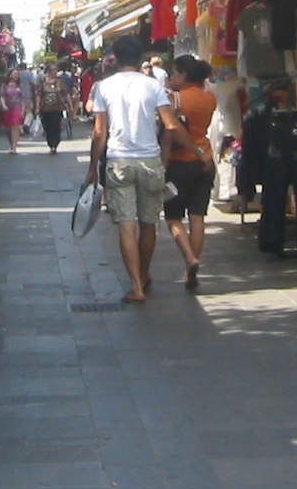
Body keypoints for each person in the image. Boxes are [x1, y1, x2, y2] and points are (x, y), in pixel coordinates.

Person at [86, 34, 206, 303]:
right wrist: (198, 151)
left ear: (115, 57)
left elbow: (98, 132)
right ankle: (144, 272)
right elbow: (172, 125)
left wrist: (93, 166)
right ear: (140, 57)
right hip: (150, 160)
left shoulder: (104, 87)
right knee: (148, 222)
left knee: (126, 225)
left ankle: (137, 286)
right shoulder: (153, 86)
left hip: (118, 161)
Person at [164, 54, 218, 288]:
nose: (171, 78)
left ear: (184, 75)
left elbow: (170, 132)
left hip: (180, 161)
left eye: (174, 74)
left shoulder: (175, 100)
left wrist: (163, 161)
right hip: (206, 160)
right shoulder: (209, 98)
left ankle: (189, 257)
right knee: (198, 217)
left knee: (173, 217)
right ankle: (190, 270)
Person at [34, 63, 71, 153]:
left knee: (55, 125)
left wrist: (70, 104)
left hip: (57, 107)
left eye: (56, 70)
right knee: (47, 126)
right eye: (53, 70)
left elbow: (66, 93)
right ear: (48, 71)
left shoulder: (60, 81)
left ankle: (55, 144)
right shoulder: (43, 82)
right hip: (45, 108)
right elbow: (39, 94)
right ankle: (50, 142)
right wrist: (37, 107)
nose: (55, 72)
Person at [0, 71, 26, 153]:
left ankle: (14, 147)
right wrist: (3, 105)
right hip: (7, 108)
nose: (16, 76)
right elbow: (1, 96)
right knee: (8, 128)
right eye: (14, 74)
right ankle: (11, 144)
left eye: (17, 74)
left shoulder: (20, 86)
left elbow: (23, 99)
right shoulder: (5, 86)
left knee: (15, 126)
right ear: (9, 75)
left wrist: (23, 110)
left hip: (17, 107)